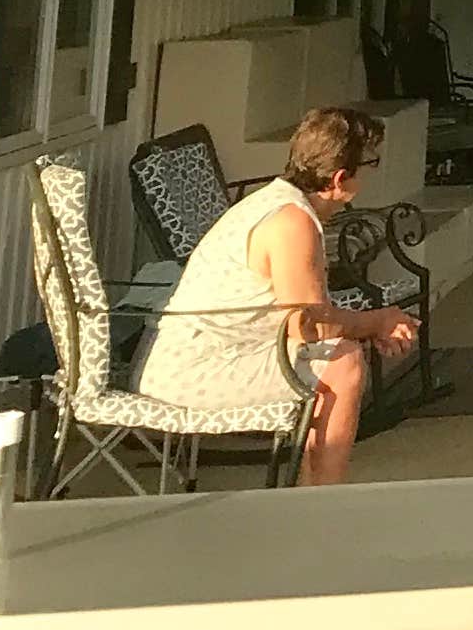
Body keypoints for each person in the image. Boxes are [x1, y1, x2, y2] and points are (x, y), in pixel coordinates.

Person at [139, 102, 420, 481]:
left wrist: (371, 328)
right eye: (371, 163)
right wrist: (380, 321)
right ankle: (319, 502)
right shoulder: (292, 223)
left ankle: (310, 493)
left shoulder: (278, 202)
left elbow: (312, 320)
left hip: (212, 352)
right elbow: (312, 328)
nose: (373, 171)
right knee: (342, 363)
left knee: (340, 352)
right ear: (340, 179)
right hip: (189, 371)